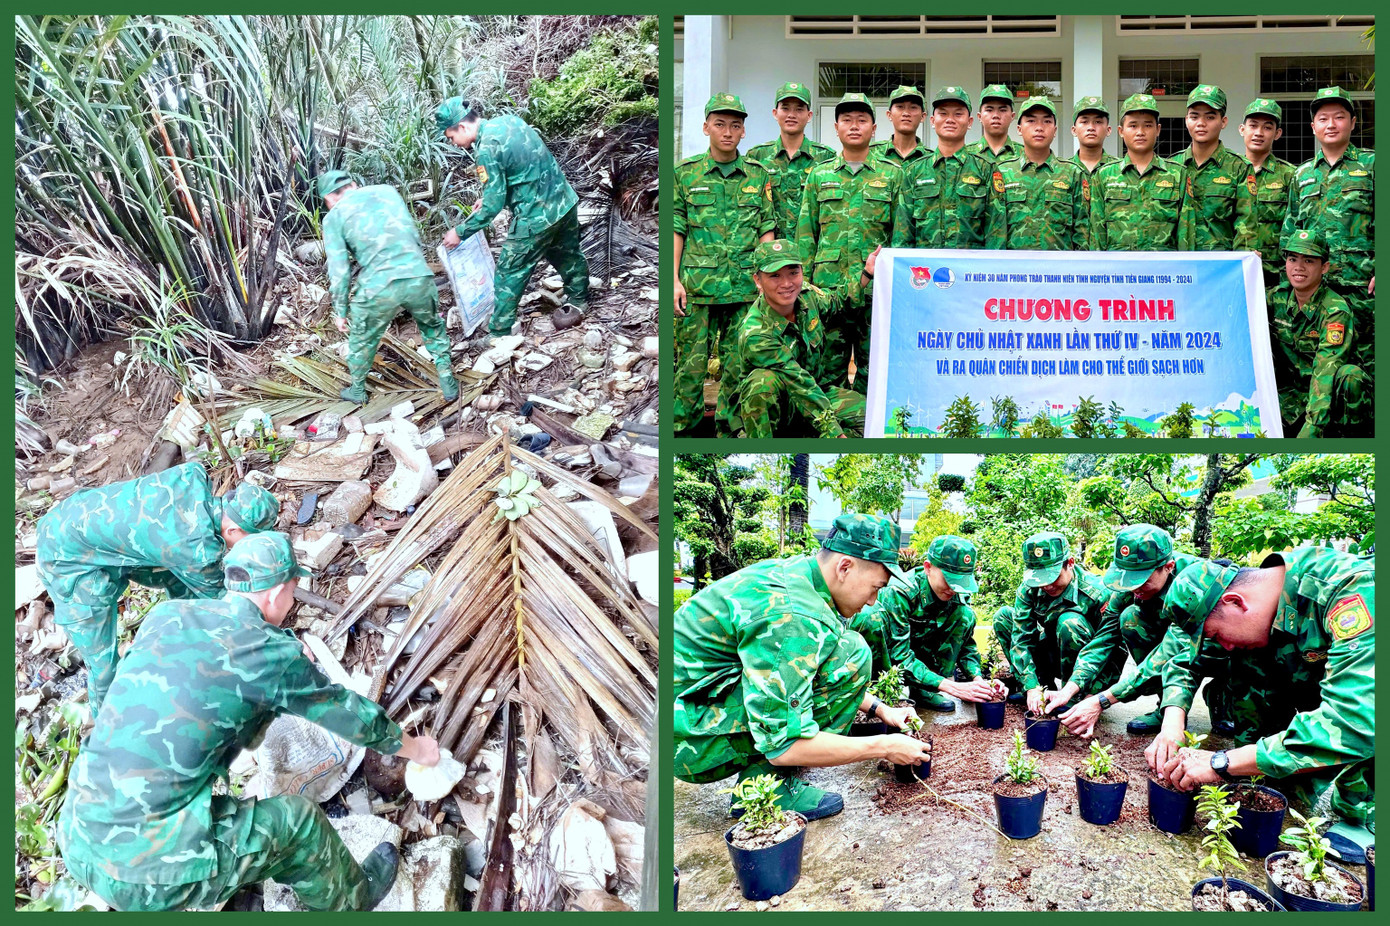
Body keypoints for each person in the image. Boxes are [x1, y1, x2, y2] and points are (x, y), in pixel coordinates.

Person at [57, 533, 443, 911]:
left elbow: (214, 664)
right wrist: (415, 749)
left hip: (77, 834)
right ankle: (350, 901)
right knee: (299, 824)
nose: (291, 601)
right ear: (276, 594)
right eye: (292, 591)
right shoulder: (269, 656)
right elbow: (349, 715)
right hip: (137, 875)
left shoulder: (167, 616)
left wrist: (281, 648)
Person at [673, 514, 929, 820]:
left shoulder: (801, 578)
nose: (874, 601)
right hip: (685, 737)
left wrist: (879, 709)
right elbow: (785, 745)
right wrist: (884, 746)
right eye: (875, 587)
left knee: (850, 653)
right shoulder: (794, 615)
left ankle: (764, 781)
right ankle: (768, 790)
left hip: (696, 706)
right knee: (850, 656)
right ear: (844, 567)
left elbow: (804, 672)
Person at [1152, 551, 1374, 862]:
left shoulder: (1351, 588)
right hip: (1330, 701)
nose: (1223, 645)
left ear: (1236, 602)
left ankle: (1367, 816)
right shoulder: (1267, 604)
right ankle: (1267, 770)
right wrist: (1173, 722)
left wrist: (1221, 762)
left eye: (1215, 634)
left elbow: (1354, 722)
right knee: (1247, 656)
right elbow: (1184, 663)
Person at [35, 462, 279, 712]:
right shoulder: (195, 547)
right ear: (233, 529)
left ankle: (188, 645)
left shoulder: (192, 477)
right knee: (103, 665)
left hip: (73, 515)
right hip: (64, 558)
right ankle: (107, 731)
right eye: (247, 542)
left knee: (177, 579)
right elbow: (228, 603)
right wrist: (275, 640)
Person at [435, 97, 589, 341]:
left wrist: (460, 232)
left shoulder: (485, 149)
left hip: (536, 217)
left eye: (451, 137)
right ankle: (580, 298)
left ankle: (499, 332)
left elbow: (493, 206)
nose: (453, 144)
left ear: (462, 127)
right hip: (564, 201)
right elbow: (522, 168)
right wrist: (487, 197)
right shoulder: (510, 121)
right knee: (566, 252)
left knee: (509, 270)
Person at [1059, 525, 1231, 738]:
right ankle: (1166, 706)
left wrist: (1103, 700)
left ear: (1168, 567)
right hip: (1174, 646)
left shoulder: (1195, 582)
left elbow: (1171, 652)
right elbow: (1104, 639)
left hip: (1217, 650)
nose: (1134, 588)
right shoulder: (1128, 588)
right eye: (1128, 580)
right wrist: (1071, 687)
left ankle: (1221, 696)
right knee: (1131, 618)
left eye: (1141, 581)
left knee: (1241, 724)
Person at [673, 93, 776, 435]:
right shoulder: (685, 174)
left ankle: (728, 431)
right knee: (690, 367)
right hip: (697, 289)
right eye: (720, 124)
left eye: (735, 125)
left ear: (744, 132)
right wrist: (672, 280)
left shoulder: (758, 176)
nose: (728, 132)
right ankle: (681, 430)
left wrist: (767, 281)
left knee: (737, 365)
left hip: (745, 289)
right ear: (706, 128)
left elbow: (766, 229)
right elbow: (677, 229)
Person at [796, 93, 907, 392]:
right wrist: (803, 288)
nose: (854, 126)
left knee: (875, 375)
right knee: (827, 374)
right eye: (847, 120)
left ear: (874, 128)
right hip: (829, 292)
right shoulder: (819, 176)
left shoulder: (893, 175)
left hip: (877, 293)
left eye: (861, 120)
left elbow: (901, 236)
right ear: (836, 127)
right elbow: (806, 236)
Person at [318, 171, 458, 403]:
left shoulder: (333, 217)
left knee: (362, 339)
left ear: (330, 198)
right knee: (432, 326)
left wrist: (341, 311)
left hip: (379, 286)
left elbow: (339, 270)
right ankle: (447, 380)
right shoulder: (386, 191)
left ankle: (357, 390)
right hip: (418, 275)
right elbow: (413, 233)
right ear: (353, 184)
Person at [717, 239, 874, 438]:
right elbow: (798, 382)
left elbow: (835, 302)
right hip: (780, 406)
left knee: (869, 417)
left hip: (815, 391)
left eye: (793, 273)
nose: (786, 284)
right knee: (762, 383)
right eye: (775, 276)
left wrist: (866, 273)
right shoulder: (756, 332)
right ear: (757, 280)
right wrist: (834, 433)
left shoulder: (806, 296)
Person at [1280, 86, 1374, 374]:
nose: (1331, 125)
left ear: (1353, 122)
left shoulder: (1372, 165)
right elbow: (1290, 231)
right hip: (1315, 291)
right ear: (1313, 127)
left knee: (1365, 365)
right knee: (1319, 366)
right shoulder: (1302, 174)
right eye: (1323, 119)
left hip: (1362, 288)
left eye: (1339, 117)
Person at [849, 535, 1004, 711]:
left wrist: (978, 680)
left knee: (965, 615)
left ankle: (923, 689)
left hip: (921, 660)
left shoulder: (957, 597)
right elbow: (900, 656)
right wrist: (952, 687)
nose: (954, 589)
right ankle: (878, 692)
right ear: (928, 568)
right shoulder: (901, 592)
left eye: (960, 582)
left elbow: (966, 646)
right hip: (889, 657)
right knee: (870, 618)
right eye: (949, 580)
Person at [993, 531, 1125, 716]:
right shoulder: (1029, 590)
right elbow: (1021, 640)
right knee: (1003, 616)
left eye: (1052, 577)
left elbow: (1115, 651)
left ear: (1070, 563)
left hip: (1085, 667)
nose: (1047, 586)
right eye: (1040, 579)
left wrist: (1094, 698)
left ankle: (1072, 699)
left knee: (1069, 623)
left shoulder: (1098, 593)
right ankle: (1042, 689)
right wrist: (1031, 686)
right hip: (1051, 655)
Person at [1269, 229, 1369, 438]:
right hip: (1291, 398)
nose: (1299, 267)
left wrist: (1312, 430)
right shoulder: (1276, 298)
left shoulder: (1335, 312)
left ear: (1324, 267)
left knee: (1350, 375)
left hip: (1329, 399)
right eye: (1293, 259)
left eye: (1309, 261)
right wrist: (1245, 262)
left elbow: (1325, 371)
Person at [894, 86, 999, 252]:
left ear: (970, 122)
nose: (950, 119)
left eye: (958, 114)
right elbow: (903, 233)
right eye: (943, 113)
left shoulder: (986, 169)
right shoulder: (914, 171)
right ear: (932, 120)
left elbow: (996, 232)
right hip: (925, 271)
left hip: (971, 272)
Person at [1090, 93, 1195, 251]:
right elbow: (1097, 234)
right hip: (1119, 272)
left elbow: (1186, 232)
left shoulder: (1178, 174)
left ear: (1158, 129)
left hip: (1164, 271)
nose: (1140, 132)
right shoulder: (1104, 175)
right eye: (1133, 126)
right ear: (1121, 131)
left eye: (1147, 125)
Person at [989, 97, 1089, 250]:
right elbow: (995, 232)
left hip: (1059, 270)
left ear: (1055, 130)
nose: (1039, 128)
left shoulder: (1073, 174)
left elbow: (1082, 233)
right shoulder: (1002, 172)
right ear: (1019, 129)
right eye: (1031, 121)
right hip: (1014, 271)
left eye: (1047, 121)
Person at [746, 82, 836, 238]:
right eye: (785, 108)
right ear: (775, 113)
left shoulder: (826, 157)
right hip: (772, 251)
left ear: (809, 116)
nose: (791, 115)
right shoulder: (757, 157)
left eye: (799, 109)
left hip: (811, 249)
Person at [1174, 85, 1252, 251]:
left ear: (1223, 122)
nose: (1201, 123)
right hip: (1179, 269)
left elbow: (1246, 227)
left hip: (1221, 269)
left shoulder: (1239, 168)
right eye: (1194, 117)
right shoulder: (1172, 166)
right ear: (1186, 120)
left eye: (1210, 117)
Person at [1233, 98, 1298, 290]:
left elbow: (1296, 224)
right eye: (1253, 125)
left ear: (1277, 134)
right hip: (1235, 272)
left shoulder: (1290, 175)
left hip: (1276, 277)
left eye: (1267, 127)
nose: (1259, 133)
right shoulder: (1229, 172)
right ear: (1242, 129)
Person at [1069, 95, 1119, 208]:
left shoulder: (1120, 170)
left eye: (1098, 122)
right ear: (1074, 130)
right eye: (1085, 121)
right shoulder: (1063, 171)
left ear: (1108, 130)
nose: (1091, 127)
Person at [869, 85, 930, 166]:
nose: (906, 113)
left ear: (923, 116)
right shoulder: (871, 153)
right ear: (889, 115)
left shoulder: (931, 159)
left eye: (913, 107)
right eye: (900, 107)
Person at [965, 83, 1021, 167]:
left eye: (1002, 110)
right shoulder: (965, 155)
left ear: (1012, 116)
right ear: (979, 116)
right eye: (989, 110)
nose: (996, 115)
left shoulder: (1026, 154)